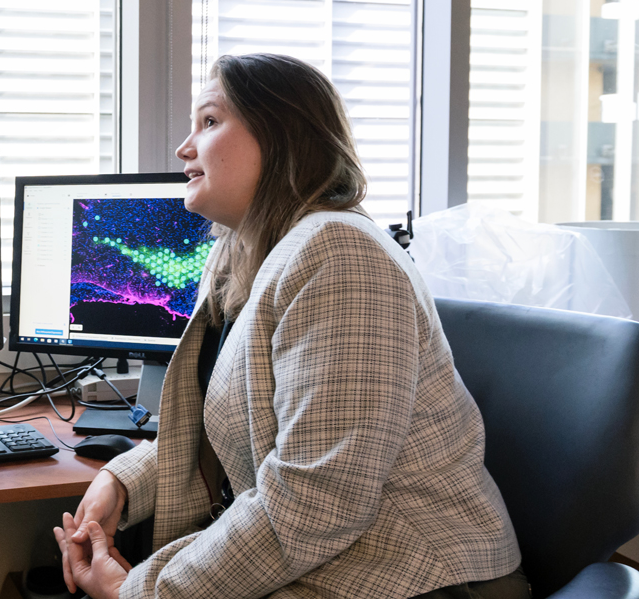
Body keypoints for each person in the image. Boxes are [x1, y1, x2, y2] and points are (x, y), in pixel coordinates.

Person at [54, 53, 527, 599]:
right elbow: (236, 436)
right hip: (338, 563)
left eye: (209, 122)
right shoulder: (246, 257)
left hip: (418, 577)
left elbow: (319, 499)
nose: (185, 149)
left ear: (282, 138)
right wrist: (122, 479)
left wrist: (143, 594)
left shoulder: (341, 254)